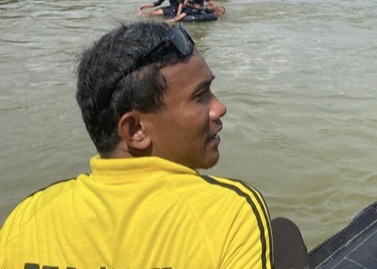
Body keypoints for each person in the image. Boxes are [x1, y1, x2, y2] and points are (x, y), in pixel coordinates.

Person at [0, 22, 302, 268]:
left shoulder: (27, 215)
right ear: (135, 130)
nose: (219, 108)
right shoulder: (232, 210)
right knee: (285, 237)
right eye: (201, 96)